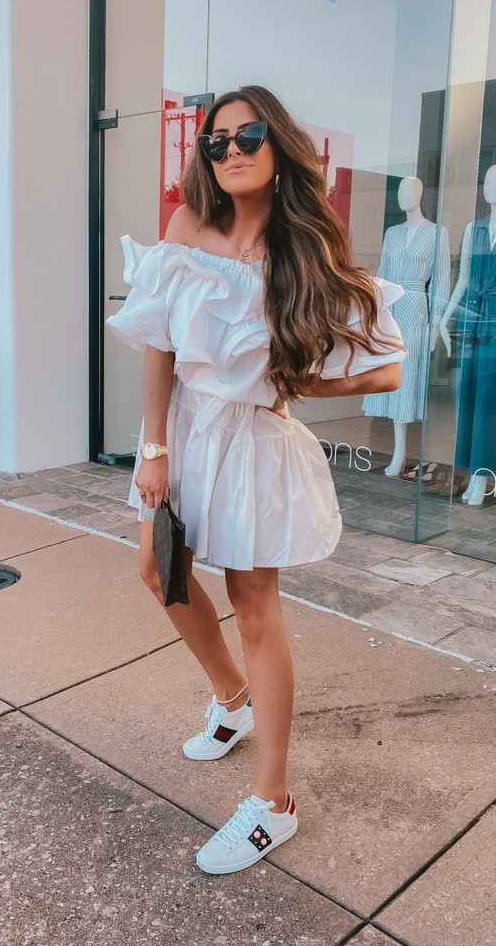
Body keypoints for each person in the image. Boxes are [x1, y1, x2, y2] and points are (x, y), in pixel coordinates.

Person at [106, 85, 405, 875]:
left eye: (249, 136)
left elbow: (387, 367)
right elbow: (159, 349)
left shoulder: (304, 247)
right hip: (184, 431)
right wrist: (154, 448)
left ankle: (274, 803)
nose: (232, 151)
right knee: (158, 569)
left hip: (252, 440)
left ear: (279, 147)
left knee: (253, 603)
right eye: (217, 141)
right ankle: (232, 700)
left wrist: (293, 379)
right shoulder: (187, 228)